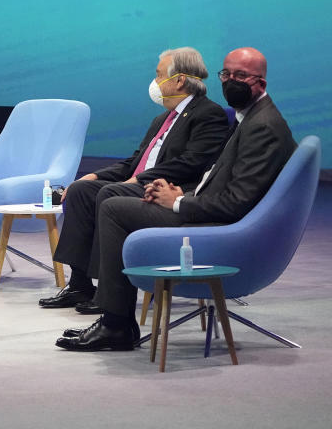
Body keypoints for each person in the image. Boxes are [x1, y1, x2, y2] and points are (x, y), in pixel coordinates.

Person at [56, 47, 296, 351]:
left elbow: (235, 201)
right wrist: (184, 195)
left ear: (261, 81)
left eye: (241, 76)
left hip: (219, 225)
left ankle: (116, 324)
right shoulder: (248, 118)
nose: (230, 81)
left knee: (114, 207)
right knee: (100, 196)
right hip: (201, 203)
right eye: (227, 74)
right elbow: (218, 177)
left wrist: (179, 202)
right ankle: (101, 305)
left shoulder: (262, 127)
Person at [41, 47, 229, 312]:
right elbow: (134, 161)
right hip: (137, 182)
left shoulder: (208, 114)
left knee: (109, 194)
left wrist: (138, 179)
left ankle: (108, 293)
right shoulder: (162, 119)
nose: (155, 82)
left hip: (165, 190)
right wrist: (94, 175)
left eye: (159, 75)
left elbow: (191, 163)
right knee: (83, 190)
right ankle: (80, 285)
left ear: (179, 80)